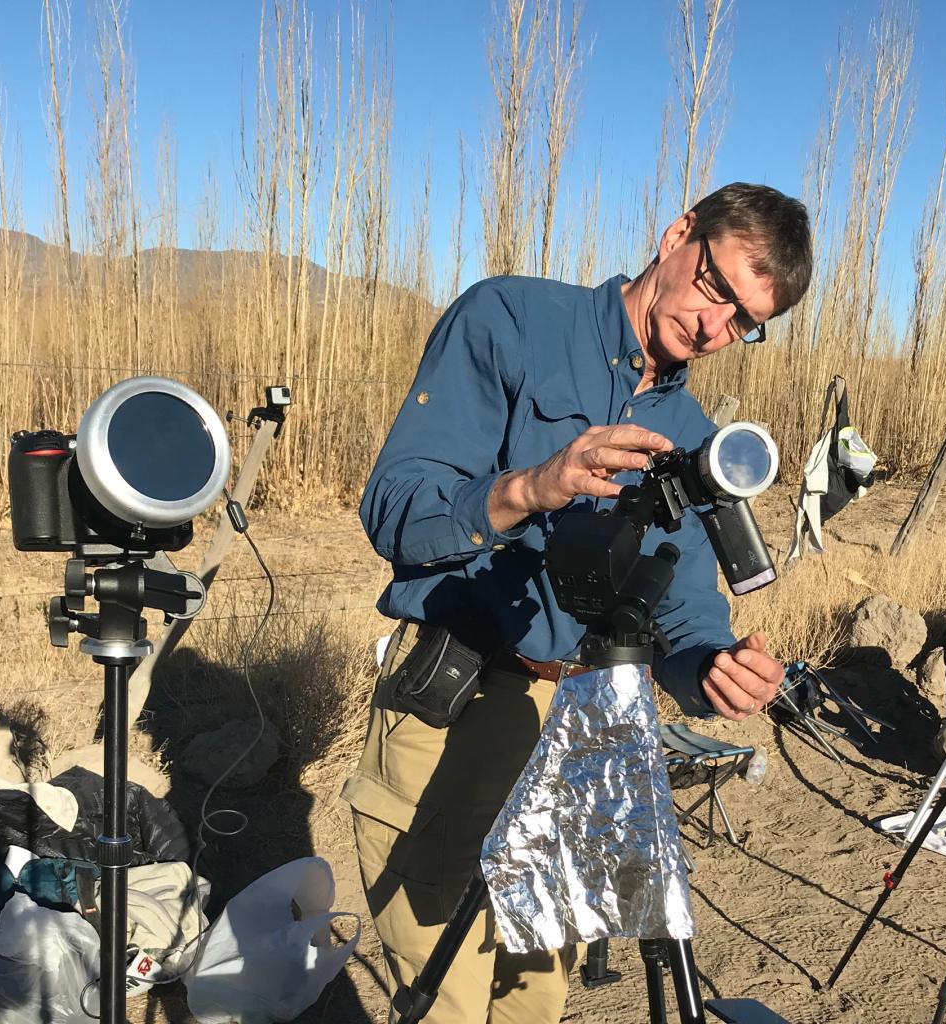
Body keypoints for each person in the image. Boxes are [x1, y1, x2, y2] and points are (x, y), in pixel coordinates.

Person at [342, 182, 812, 1023]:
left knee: (535, 996)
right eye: (716, 287)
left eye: (744, 321)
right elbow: (395, 507)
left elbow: (684, 613)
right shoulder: (510, 322)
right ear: (677, 236)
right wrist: (530, 487)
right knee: (445, 990)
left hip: (581, 728)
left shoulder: (694, 441)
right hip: (455, 701)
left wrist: (716, 669)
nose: (714, 329)